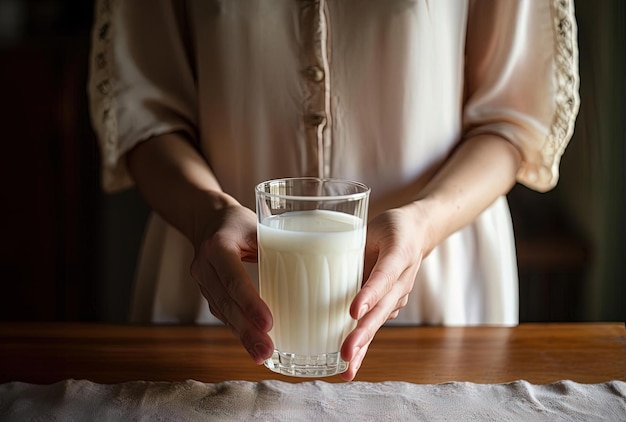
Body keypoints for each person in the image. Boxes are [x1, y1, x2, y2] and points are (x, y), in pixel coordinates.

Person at [88, 0, 579, 381]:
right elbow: (144, 113)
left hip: (436, 285)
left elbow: (512, 119)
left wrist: (424, 222)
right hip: (215, 278)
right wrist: (207, 213)